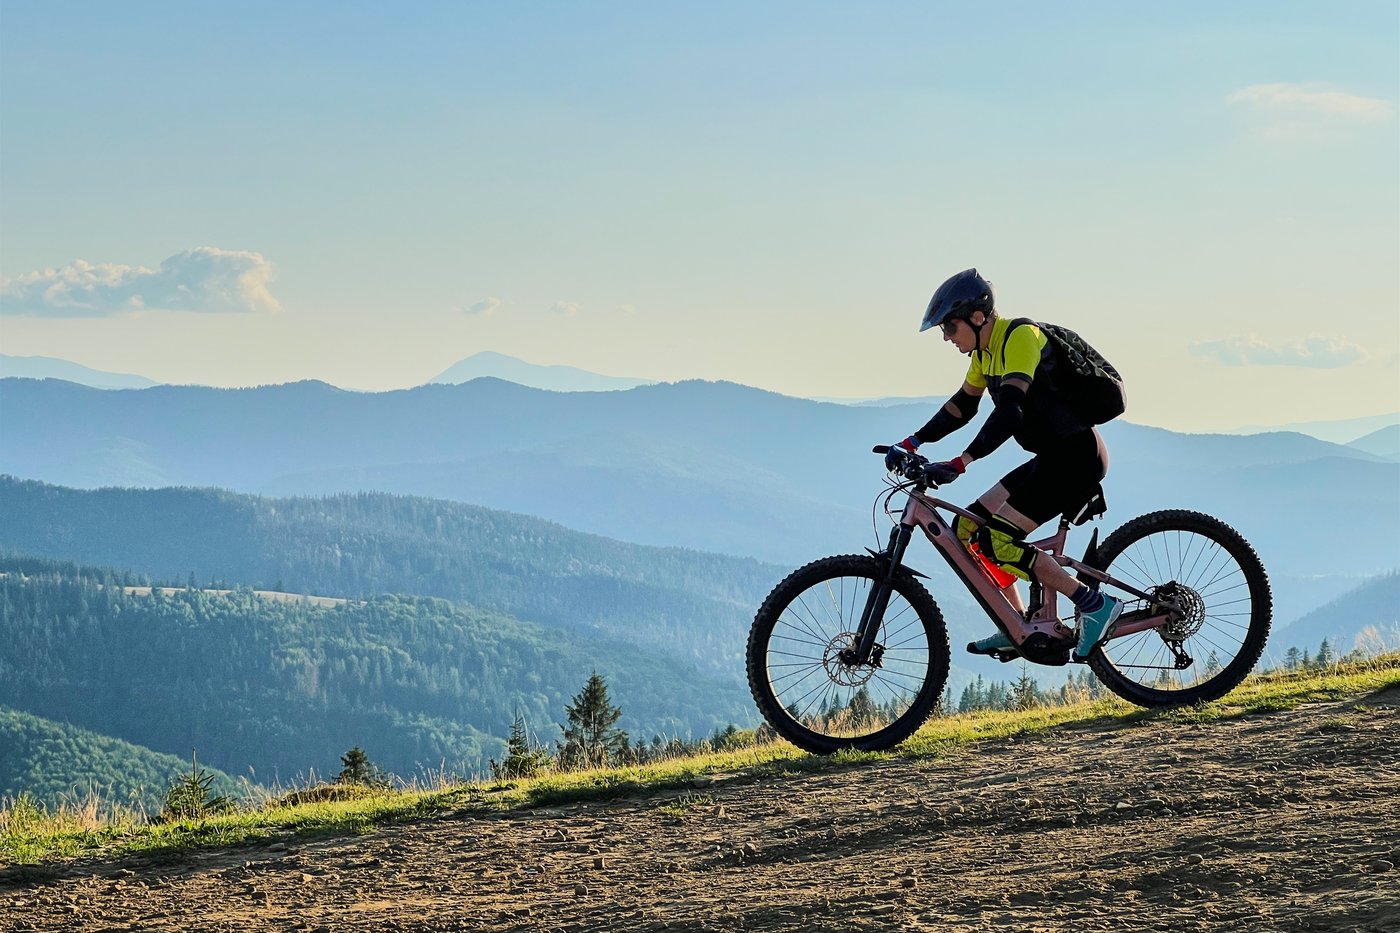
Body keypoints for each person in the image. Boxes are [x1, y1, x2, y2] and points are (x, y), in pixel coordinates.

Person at [884, 268, 1121, 662]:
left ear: (978, 317)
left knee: (998, 540)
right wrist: (911, 442)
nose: (946, 337)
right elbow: (962, 407)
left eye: (950, 327)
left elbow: (1010, 411)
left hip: (1076, 457)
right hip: (1052, 458)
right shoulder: (984, 353)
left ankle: (1093, 604)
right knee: (967, 529)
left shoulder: (1021, 337)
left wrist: (961, 462)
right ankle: (1016, 624)